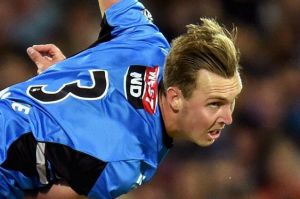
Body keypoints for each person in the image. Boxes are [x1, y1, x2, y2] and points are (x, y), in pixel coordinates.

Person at [0, 0, 242, 198]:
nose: (228, 118)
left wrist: (67, 75)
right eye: (215, 104)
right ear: (175, 98)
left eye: (231, 100)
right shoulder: (125, 160)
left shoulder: (145, 40)